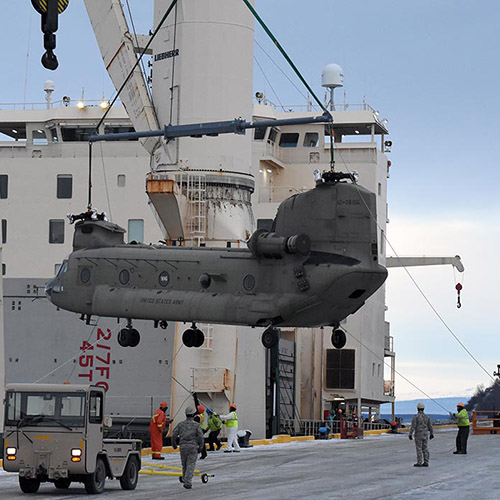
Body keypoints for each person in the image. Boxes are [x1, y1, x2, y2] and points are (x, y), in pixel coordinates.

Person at [172, 406, 204, 490]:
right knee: (191, 464)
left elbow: (174, 435)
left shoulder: (180, 424)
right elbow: (200, 436)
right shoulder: (196, 425)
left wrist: (174, 444)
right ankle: (187, 481)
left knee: (184, 464)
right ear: (193, 414)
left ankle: (184, 478)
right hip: (193, 446)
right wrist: (201, 446)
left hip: (183, 446)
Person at [408, 401, 434, 467]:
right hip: (425, 434)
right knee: (425, 448)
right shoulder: (427, 417)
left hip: (418, 435)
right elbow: (430, 426)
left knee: (419, 448)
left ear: (417, 408)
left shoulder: (416, 417)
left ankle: (419, 462)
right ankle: (426, 461)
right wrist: (431, 433)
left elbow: (413, 426)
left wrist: (410, 434)